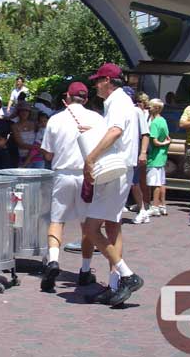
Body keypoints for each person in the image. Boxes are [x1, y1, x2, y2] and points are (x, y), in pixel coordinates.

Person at [84, 63, 143, 307]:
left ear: (108, 81)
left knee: (90, 228)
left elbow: (116, 131)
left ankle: (126, 275)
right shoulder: (123, 102)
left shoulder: (117, 102)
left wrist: (91, 157)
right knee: (113, 226)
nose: (96, 84)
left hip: (115, 170)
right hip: (123, 169)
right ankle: (114, 283)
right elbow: (116, 130)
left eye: (98, 80)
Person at [40, 82, 105, 291]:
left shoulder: (55, 119)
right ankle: (85, 270)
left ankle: (53, 259)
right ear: (85, 99)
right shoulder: (97, 119)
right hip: (86, 174)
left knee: (57, 220)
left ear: (67, 97)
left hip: (62, 173)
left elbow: (48, 154)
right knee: (87, 225)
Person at [146, 99, 171, 217]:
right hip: (162, 156)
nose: (148, 108)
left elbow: (154, 141)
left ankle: (154, 206)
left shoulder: (155, 122)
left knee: (154, 183)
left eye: (150, 106)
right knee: (161, 182)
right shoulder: (163, 120)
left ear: (156, 108)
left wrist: (163, 144)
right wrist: (166, 143)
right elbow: (167, 137)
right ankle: (162, 205)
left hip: (154, 156)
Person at [130, 91, 150, 224]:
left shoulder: (137, 111)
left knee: (133, 182)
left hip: (133, 151)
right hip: (121, 152)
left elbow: (145, 133)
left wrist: (143, 152)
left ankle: (142, 210)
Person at [11, 102, 37, 167]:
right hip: (22, 158)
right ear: (18, 112)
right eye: (22, 110)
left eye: (27, 111)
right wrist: (38, 147)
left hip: (37, 157)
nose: (24, 112)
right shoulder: (14, 126)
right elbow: (21, 144)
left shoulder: (35, 124)